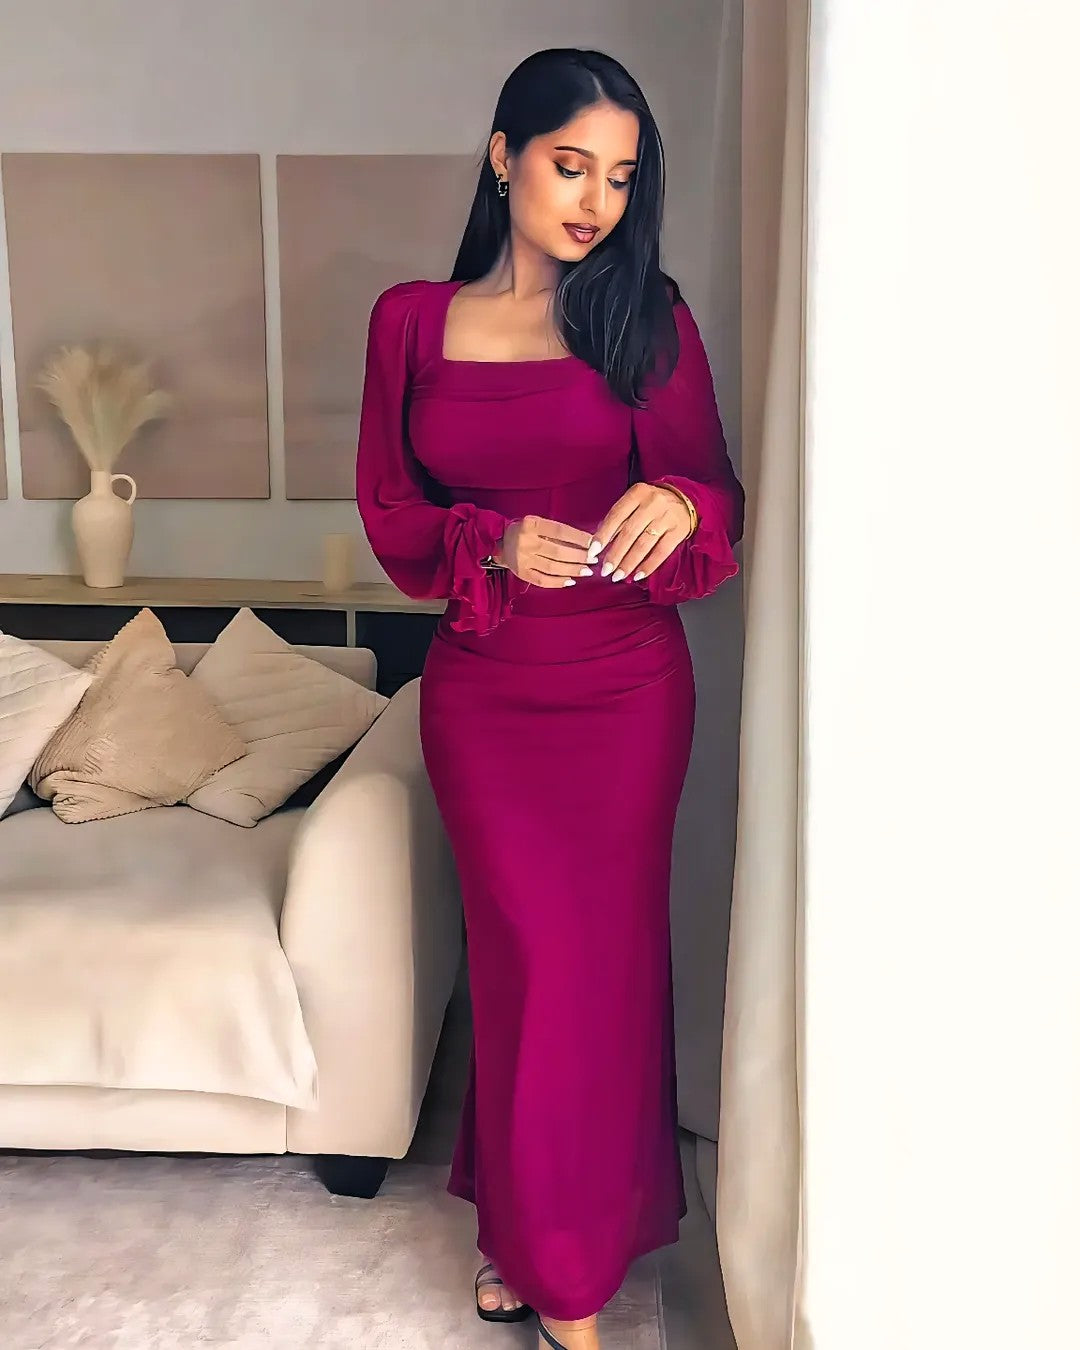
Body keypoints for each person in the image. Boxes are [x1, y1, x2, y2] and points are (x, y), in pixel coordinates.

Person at [354, 46, 745, 1350]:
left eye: (620, 178)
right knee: (523, 962)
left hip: (625, 691)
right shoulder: (410, 321)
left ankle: (561, 1268)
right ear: (502, 156)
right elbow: (392, 510)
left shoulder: (648, 316)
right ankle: (529, 1233)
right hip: (485, 695)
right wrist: (494, 539)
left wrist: (676, 499)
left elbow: (716, 494)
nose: (594, 201)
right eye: (571, 166)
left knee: (597, 965)